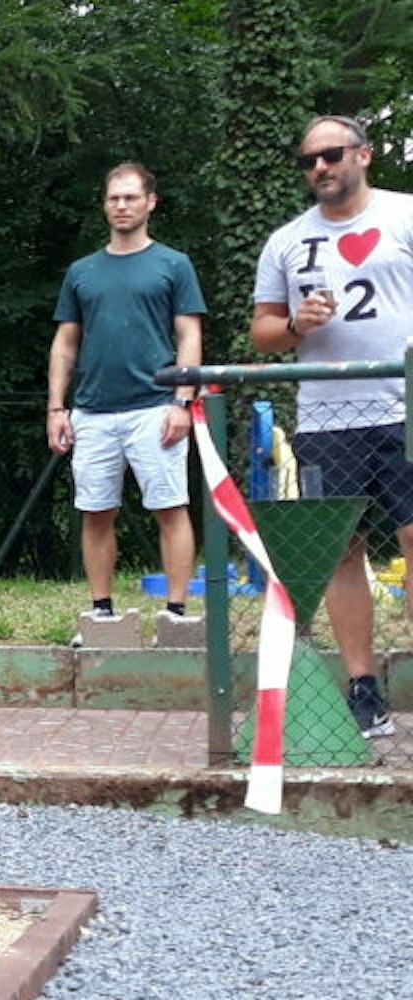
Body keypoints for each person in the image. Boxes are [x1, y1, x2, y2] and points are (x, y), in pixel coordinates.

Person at [251, 114, 409, 739]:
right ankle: (363, 687)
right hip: (327, 416)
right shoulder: (286, 241)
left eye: (332, 154)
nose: (320, 167)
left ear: (363, 155)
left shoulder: (404, 215)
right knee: (343, 550)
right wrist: (298, 325)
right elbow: (262, 331)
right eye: (309, 160)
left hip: (407, 407)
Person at [46, 162, 206, 645]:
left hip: (156, 407)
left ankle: (175, 617)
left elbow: (189, 334)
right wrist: (57, 407)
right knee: (96, 512)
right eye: (114, 198)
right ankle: (101, 616)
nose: (121, 206)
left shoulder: (173, 264)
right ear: (104, 204)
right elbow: (65, 343)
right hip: (92, 411)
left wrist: (182, 401)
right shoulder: (82, 272)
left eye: (131, 197)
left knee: (170, 507)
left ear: (150, 202)